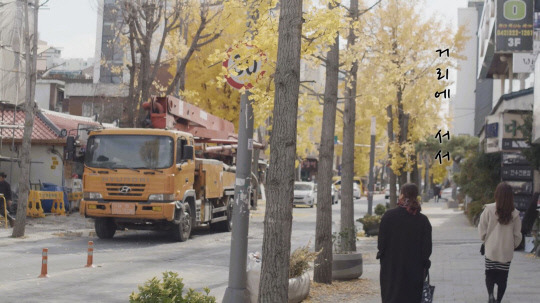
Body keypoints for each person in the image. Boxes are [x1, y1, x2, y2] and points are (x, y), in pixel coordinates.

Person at [377, 183, 432, 303]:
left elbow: (381, 244)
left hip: (391, 269)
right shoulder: (422, 220)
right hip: (414, 270)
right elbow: (427, 249)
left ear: (401, 195)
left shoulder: (388, 216)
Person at [478, 182, 522, 303]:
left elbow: (482, 229)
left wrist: (485, 240)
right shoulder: (515, 214)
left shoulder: (489, 210)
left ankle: (491, 295)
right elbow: (518, 235)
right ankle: (498, 300)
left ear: (496, 194)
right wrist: (512, 246)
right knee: (503, 278)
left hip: (491, 249)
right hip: (506, 252)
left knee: (490, 274)